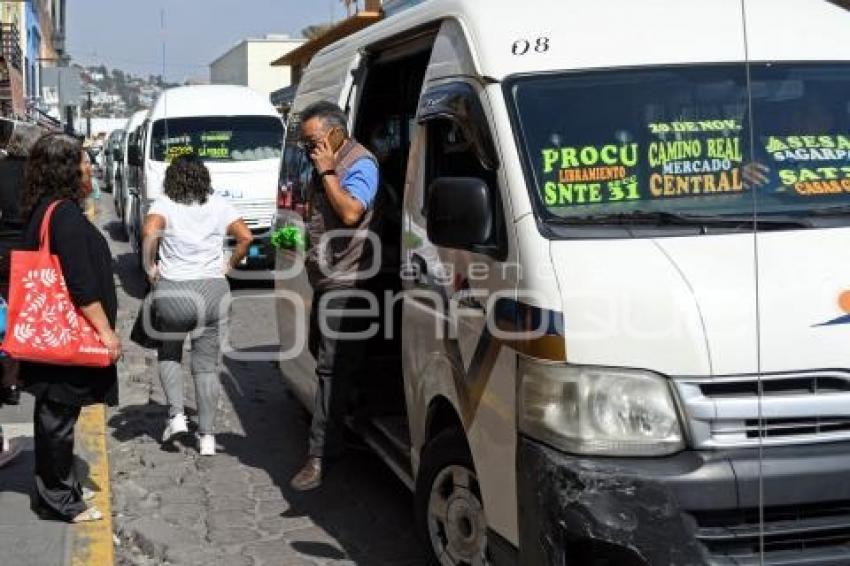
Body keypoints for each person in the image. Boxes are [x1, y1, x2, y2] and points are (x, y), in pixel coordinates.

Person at [18, 133, 122, 523]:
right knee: (57, 417)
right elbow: (80, 283)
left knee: (54, 414)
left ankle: (57, 489)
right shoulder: (63, 215)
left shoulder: (48, 209)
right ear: (65, 169)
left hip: (55, 332)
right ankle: (57, 498)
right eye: (82, 161)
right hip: (66, 335)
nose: (89, 166)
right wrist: (105, 332)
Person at [290, 101, 380, 492]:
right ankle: (354, 422)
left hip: (351, 282)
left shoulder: (360, 164)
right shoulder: (318, 167)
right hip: (326, 281)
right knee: (324, 354)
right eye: (304, 144)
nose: (308, 150)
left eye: (312, 141)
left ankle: (321, 455)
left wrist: (327, 170)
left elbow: (350, 213)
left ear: (334, 134)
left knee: (332, 367)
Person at [141, 155, 252, 456]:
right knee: (206, 367)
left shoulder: (164, 204)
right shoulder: (218, 204)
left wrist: (151, 266)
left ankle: (176, 415)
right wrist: (228, 264)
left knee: (169, 352)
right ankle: (207, 437)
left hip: (174, 293)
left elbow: (150, 231)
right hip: (213, 292)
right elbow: (245, 237)